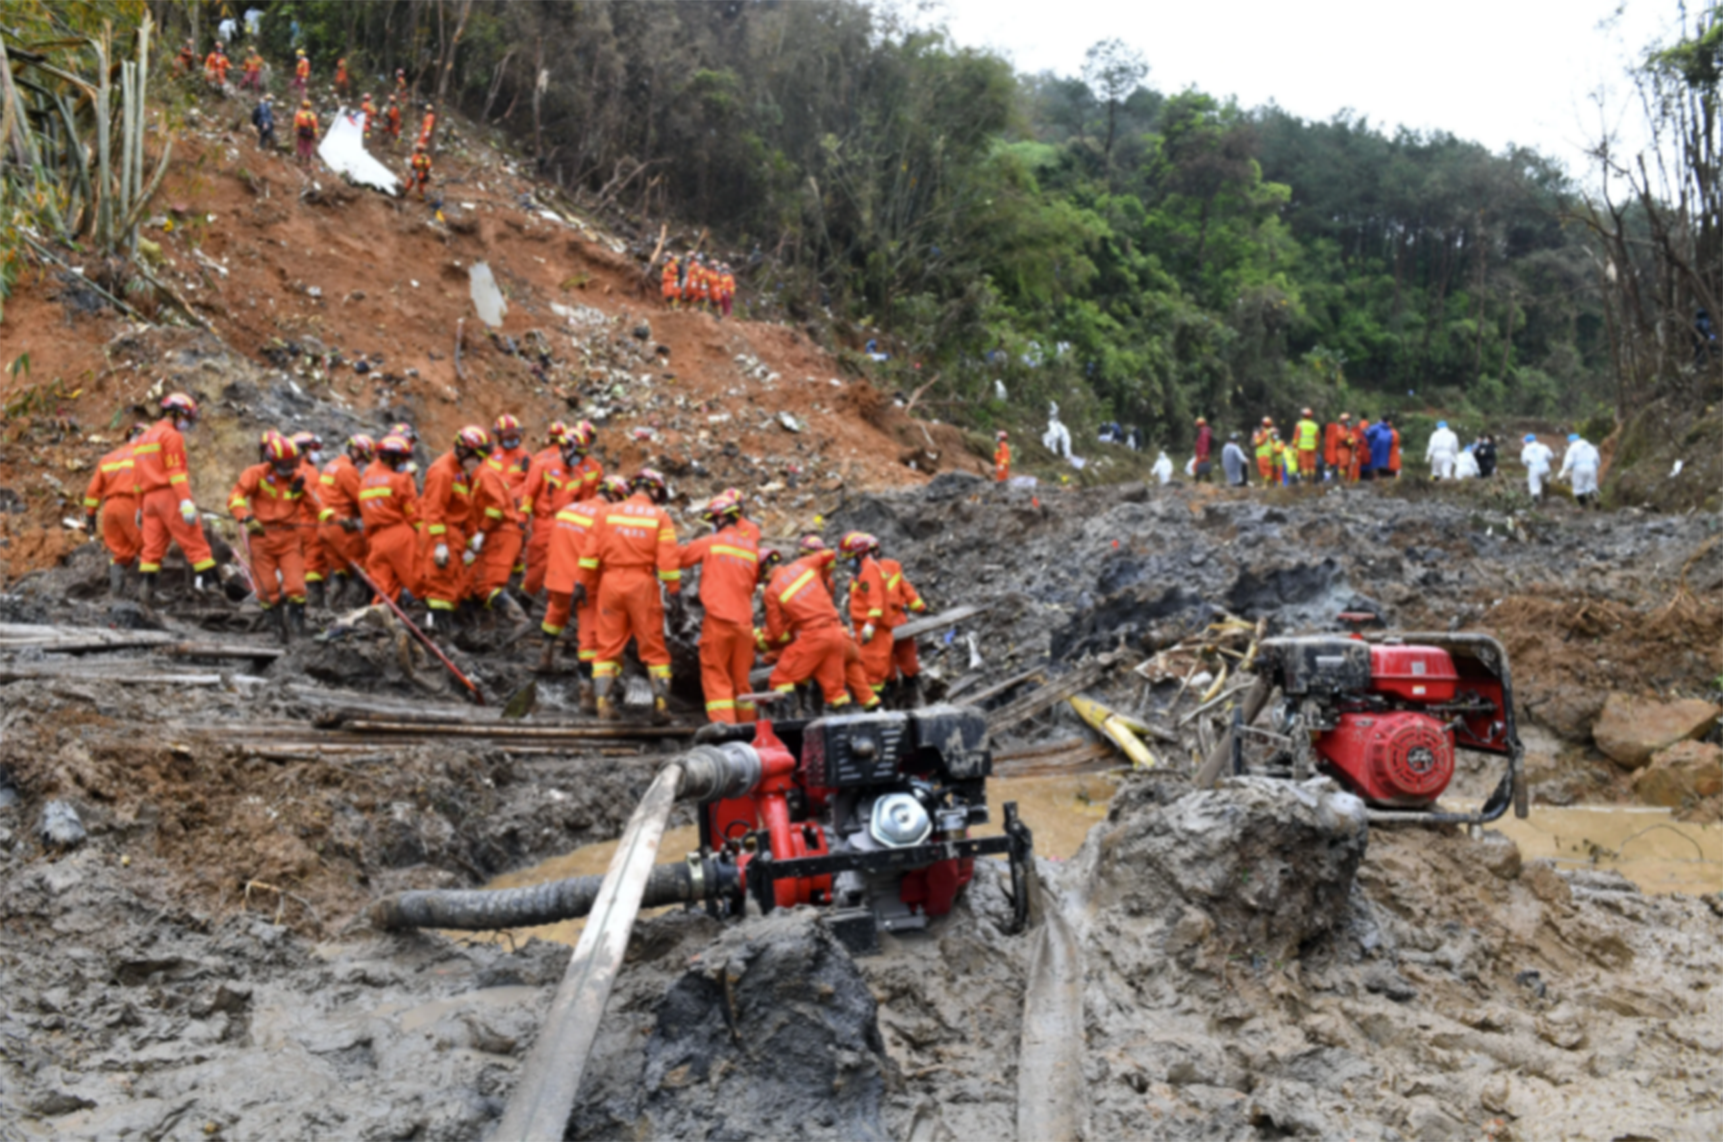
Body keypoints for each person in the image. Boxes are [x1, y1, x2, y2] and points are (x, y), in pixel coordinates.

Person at [579, 468, 681, 722]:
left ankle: (603, 703)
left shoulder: (606, 513)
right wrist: (674, 591)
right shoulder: (660, 516)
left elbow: (590, 554)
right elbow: (667, 561)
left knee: (607, 647)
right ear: (654, 489)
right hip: (642, 584)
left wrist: (581, 583)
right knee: (653, 648)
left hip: (610, 583)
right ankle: (661, 707)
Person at [538, 476, 629, 709]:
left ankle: (545, 655)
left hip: (557, 580)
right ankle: (586, 694)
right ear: (615, 496)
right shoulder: (605, 518)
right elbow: (601, 555)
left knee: (555, 614)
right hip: (585, 586)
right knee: (588, 639)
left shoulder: (567, 510)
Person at [678, 491, 761, 723]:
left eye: (713, 520)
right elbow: (752, 584)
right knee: (742, 682)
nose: (712, 525)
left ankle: (726, 733)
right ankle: (748, 729)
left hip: (718, 620)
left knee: (717, 677)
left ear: (721, 518)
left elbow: (681, 558)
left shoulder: (712, 542)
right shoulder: (751, 549)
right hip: (745, 625)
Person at [228, 432, 321, 640]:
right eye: (286, 463)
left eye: (293, 462)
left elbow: (316, 507)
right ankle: (277, 632)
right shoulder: (255, 474)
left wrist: (335, 519)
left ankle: (297, 634)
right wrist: (246, 518)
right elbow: (235, 498)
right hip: (262, 538)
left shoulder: (298, 479)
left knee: (296, 587)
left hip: (290, 538)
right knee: (267, 590)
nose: (290, 467)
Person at [134, 393, 218, 607]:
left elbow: (137, 478)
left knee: (151, 550)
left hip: (149, 500)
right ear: (176, 414)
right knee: (195, 543)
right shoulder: (171, 437)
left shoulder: (144, 437)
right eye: (186, 418)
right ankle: (214, 590)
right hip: (169, 495)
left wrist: (138, 507)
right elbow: (176, 473)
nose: (187, 423)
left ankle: (146, 594)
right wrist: (186, 502)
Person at [758, 547, 854, 712]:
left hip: (814, 636)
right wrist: (822, 577)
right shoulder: (805, 563)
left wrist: (764, 640)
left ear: (764, 571)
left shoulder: (771, 591)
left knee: (781, 678)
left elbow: (778, 635)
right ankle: (850, 728)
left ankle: (788, 724)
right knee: (836, 691)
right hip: (836, 633)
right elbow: (829, 554)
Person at [419, 426, 485, 622]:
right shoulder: (442, 472)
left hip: (452, 537)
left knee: (450, 587)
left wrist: (472, 540)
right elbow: (434, 510)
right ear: (463, 451)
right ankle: (435, 634)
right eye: (476, 456)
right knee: (439, 589)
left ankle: (440, 631)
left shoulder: (458, 472)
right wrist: (439, 544)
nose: (478, 462)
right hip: (440, 536)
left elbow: (465, 510)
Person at [468, 429, 531, 628]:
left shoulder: (484, 475)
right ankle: (487, 625)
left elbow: (496, 508)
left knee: (487, 585)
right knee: (477, 582)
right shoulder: (484, 474)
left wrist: (481, 531)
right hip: (500, 533)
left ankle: (519, 620)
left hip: (502, 533)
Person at [83, 424, 147, 597]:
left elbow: (93, 490)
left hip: (109, 508)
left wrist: (90, 514)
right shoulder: (144, 457)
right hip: (131, 505)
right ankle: (148, 597)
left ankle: (117, 595)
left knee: (120, 553)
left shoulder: (109, 458)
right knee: (149, 549)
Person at [358, 434, 421, 603]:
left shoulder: (366, 479)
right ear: (390, 459)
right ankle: (433, 620)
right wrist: (424, 531)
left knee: (384, 587)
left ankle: (382, 620)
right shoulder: (397, 480)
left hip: (375, 539)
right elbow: (411, 512)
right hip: (399, 535)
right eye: (401, 460)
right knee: (418, 578)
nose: (403, 464)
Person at [316, 434, 373, 608]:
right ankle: (354, 606)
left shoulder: (330, 466)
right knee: (362, 563)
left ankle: (332, 607)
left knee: (339, 567)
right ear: (356, 452)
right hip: (341, 526)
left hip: (324, 525)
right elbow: (360, 498)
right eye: (363, 457)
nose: (363, 462)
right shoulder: (348, 470)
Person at [519, 421, 575, 599]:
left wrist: (523, 517)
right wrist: (522, 516)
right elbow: (530, 491)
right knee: (542, 565)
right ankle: (528, 598)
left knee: (552, 566)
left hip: (561, 524)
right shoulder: (544, 463)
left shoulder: (575, 470)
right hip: (548, 522)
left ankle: (541, 602)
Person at [841, 531, 893, 700]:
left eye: (848, 556)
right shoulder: (860, 572)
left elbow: (875, 602)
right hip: (862, 629)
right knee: (867, 669)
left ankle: (879, 707)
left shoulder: (869, 570)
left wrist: (870, 625)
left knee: (874, 672)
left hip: (873, 631)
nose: (846, 560)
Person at [878, 542, 928, 706]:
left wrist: (921, 607)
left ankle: (902, 698)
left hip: (884, 623)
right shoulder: (891, 567)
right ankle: (903, 698)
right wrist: (920, 607)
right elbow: (907, 590)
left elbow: (906, 589)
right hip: (888, 621)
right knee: (892, 663)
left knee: (898, 660)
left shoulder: (863, 575)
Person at [1558, 432, 1601, 507]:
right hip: (1592, 467)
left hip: (1579, 468)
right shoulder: (1590, 446)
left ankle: (1583, 505)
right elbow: (1597, 460)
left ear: (1571, 441)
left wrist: (1563, 471)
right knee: (1591, 485)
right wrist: (1595, 467)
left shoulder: (1573, 447)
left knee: (1578, 488)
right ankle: (1594, 496)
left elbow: (1568, 461)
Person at [1520, 433, 1554, 501]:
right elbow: (1551, 456)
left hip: (1533, 468)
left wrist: (1529, 464)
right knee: (1546, 480)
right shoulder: (1543, 447)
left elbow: (1524, 462)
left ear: (1527, 441)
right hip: (1545, 466)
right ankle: (1546, 494)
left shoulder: (1525, 450)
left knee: (1534, 485)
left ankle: (1536, 499)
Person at [1294, 408, 1320, 483]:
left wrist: (1294, 447)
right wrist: (1316, 448)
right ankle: (1311, 482)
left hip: (1302, 448)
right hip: (1312, 448)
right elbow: (1317, 439)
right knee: (1312, 466)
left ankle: (1305, 482)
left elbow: (1296, 438)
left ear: (1302, 415)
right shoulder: (1315, 425)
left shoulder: (1299, 424)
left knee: (1304, 465)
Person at [1365, 415, 1393, 481]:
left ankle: (1375, 477)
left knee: (1374, 461)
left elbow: (1368, 434)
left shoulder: (1377, 426)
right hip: (1387, 445)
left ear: (1381, 420)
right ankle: (1383, 477)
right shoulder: (1389, 428)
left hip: (1377, 444)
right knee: (1384, 461)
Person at [293, 99, 319, 167]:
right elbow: (315, 126)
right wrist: (316, 135)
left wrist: (295, 129)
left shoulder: (299, 113)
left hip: (302, 131)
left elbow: (296, 123)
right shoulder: (313, 115)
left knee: (301, 144)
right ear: (309, 107)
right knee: (308, 145)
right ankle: (308, 158)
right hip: (309, 133)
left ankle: (300, 158)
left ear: (302, 106)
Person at [1251, 418, 1276, 484]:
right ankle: (1269, 484)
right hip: (1265, 453)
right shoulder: (1268, 431)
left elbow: (1259, 442)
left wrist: (1255, 436)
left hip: (1264, 453)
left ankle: (1266, 484)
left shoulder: (1265, 432)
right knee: (1266, 469)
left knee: (1265, 470)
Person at [1192, 417, 1213, 481]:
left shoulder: (1204, 432)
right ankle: (1208, 479)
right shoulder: (1204, 431)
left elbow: (1204, 443)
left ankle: (1197, 480)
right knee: (1205, 466)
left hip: (1202, 453)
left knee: (1195, 466)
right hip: (1202, 453)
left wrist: (1203, 453)